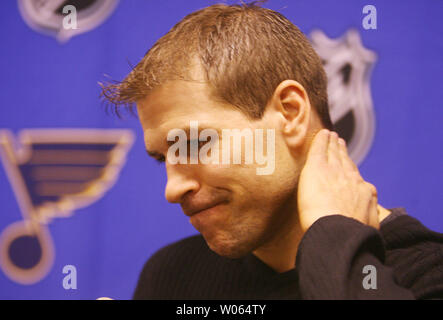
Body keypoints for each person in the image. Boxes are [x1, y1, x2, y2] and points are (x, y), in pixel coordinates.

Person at [101, 3, 443, 299]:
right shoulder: (174, 275)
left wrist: (335, 237)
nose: (172, 189)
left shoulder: (427, 274)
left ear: (290, 113)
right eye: (164, 158)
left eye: (194, 143)